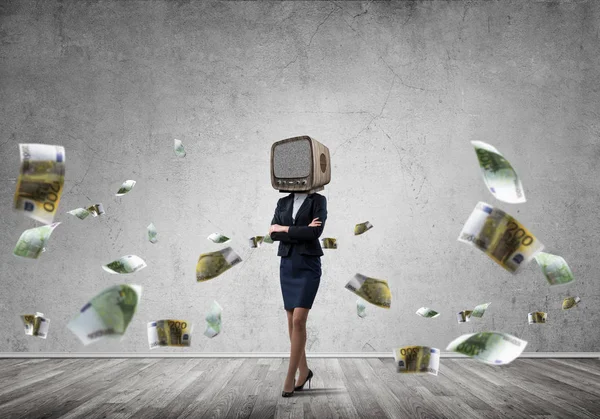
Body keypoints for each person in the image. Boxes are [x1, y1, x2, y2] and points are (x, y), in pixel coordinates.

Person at [269, 191, 327, 397]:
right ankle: (304, 371)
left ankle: (289, 377)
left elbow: (314, 234)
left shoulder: (318, 200)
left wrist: (284, 228)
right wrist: (299, 230)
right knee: (292, 319)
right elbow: (272, 234)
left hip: (308, 265)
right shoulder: (282, 201)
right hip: (287, 264)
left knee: (299, 320)